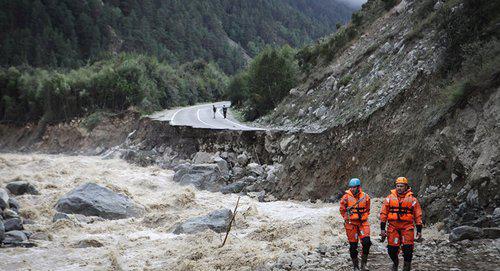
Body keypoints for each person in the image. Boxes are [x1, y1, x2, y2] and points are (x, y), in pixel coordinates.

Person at [380, 177, 423, 271]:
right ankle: (395, 263)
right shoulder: (389, 198)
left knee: (408, 249)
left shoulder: (413, 200)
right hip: (393, 227)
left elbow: (418, 215)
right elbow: (383, 214)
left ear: (406, 187)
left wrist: (419, 230)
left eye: (401, 186)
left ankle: (406, 267)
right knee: (392, 250)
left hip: (407, 227)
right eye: (397, 186)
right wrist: (382, 229)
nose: (399, 188)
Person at [340, 178, 372, 271]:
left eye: (354, 187)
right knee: (353, 246)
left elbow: (367, 209)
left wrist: (363, 216)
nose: (352, 189)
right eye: (351, 187)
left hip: (363, 222)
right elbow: (342, 209)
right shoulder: (346, 197)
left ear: (358, 187)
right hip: (351, 223)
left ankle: (363, 264)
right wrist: (347, 218)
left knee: (367, 242)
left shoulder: (365, 196)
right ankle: (355, 266)